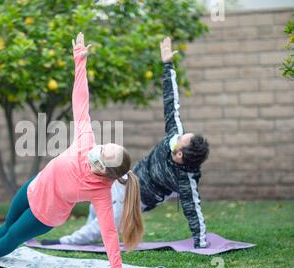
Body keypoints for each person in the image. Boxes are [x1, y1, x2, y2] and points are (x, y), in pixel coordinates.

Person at [0, 32, 143, 268]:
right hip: (32, 189)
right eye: (107, 144)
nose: (101, 147)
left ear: (104, 169)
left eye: (105, 152)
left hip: (44, 216)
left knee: (12, 237)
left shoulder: (101, 192)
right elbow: (81, 100)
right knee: (7, 224)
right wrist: (80, 61)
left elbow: (109, 232)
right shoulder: (87, 142)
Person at [41, 37, 211, 249]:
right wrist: (168, 65)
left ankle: (65, 242)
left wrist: (201, 243)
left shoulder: (186, 180)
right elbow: (171, 102)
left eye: (179, 141)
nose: (176, 137)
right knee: (98, 194)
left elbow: (193, 208)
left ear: (180, 156)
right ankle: (79, 238)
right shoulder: (173, 136)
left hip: (135, 200)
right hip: (126, 177)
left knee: (105, 223)